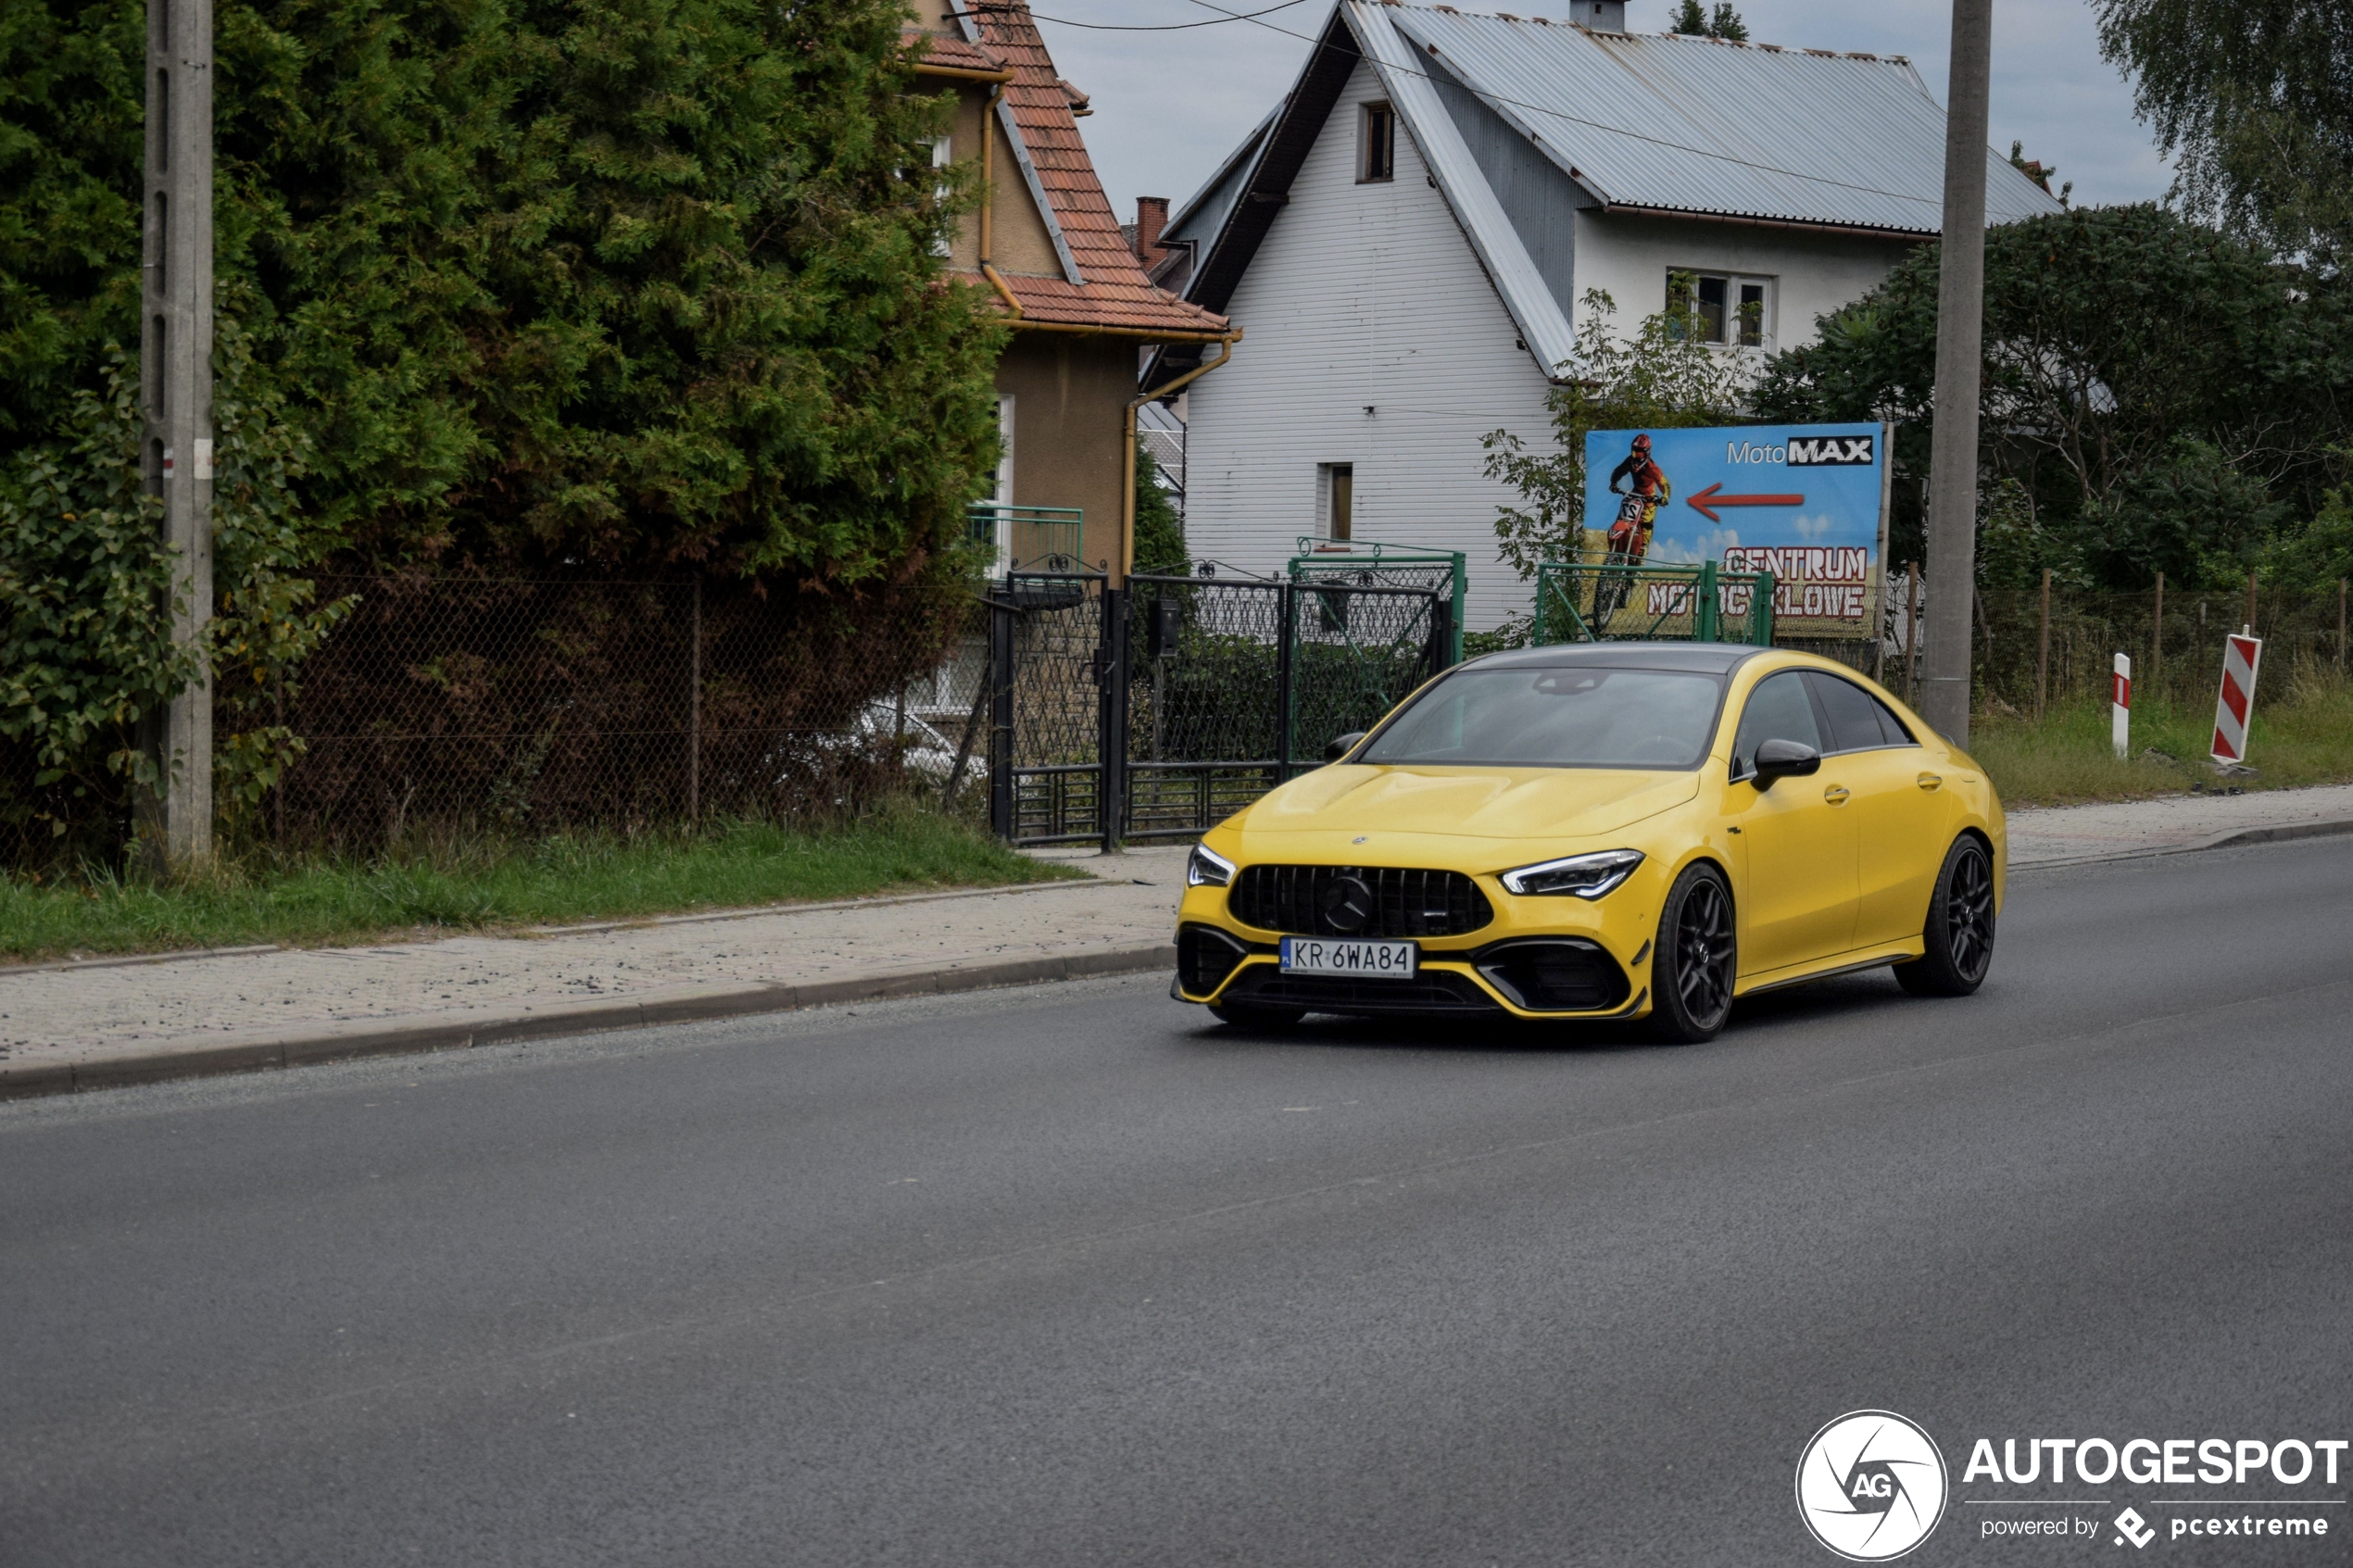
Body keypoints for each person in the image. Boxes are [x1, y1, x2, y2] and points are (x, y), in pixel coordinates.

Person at [1604, 433, 1672, 565]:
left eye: (1639, 453)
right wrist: (1613, 483)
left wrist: (1664, 497)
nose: (1636, 456)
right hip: (1634, 495)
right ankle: (1617, 546)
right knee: (1622, 517)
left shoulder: (1652, 468)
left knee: (1646, 524)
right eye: (1635, 452)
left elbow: (1664, 484)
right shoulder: (1630, 461)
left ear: (1646, 453)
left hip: (1648, 499)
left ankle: (1641, 554)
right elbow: (1619, 471)